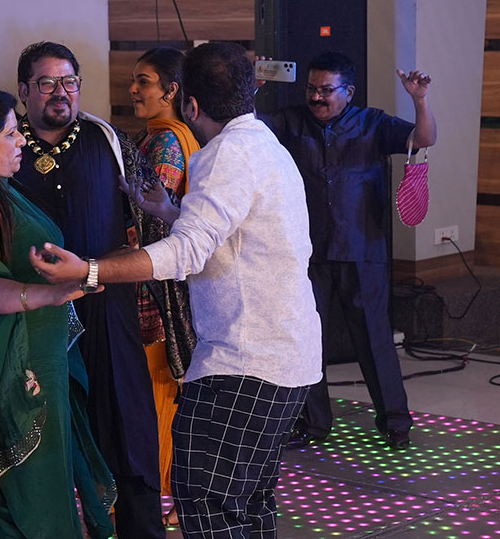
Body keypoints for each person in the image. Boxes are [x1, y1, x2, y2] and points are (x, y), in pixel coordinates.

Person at [29, 41, 322, 539]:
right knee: (249, 506)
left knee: (207, 506)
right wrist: (169, 211)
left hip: (244, 362)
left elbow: (187, 253)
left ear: (189, 104)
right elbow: (233, 234)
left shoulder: (222, 156)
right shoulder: (266, 146)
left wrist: (89, 271)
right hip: (288, 356)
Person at [0, 88, 115, 538]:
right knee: (19, 505)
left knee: (45, 492)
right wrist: (47, 294)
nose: (22, 141)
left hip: (35, 361)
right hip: (4, 371)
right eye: (10, 134)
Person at [14, 41, 163, 538]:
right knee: (41, 438)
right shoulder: (6, 145)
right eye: (47, 83)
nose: (61, 92)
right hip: (34, 318)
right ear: (24, 91)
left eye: (69, 82)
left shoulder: (107, 140)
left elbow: (151, 214)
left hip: (106, 311)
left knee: (127, 431)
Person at [262, 51, 437, 450]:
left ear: (349, 92)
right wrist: (251, 90)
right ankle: (313, 423)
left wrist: (420, 100)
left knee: (375, 339)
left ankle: (395, 421)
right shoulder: (289, 121)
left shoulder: (373, 123)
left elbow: (424, 138)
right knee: (306, 341)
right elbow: (243, 134)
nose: (316, 97)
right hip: (306, 252)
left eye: (326, 90)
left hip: (362, 248)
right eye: (311, 89)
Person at [127, 47, 199, 527]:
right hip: (159, 283)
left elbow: (150, 223)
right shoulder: (162, 137)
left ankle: (155, 501)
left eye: (145, 81)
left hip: (153, 288)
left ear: (171, 90)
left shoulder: (167, 144)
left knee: (153, 397)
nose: (134, 89)